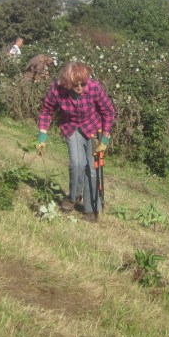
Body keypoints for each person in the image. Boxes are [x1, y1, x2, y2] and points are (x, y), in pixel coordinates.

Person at [36, 61, 115, 222]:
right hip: (71, 127)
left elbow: (108, 112)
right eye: (75, 85)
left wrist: (105, 138)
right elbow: (46, 111)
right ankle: (74, 197)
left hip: (93, 129)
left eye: (82, 84)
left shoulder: (94, 87)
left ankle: (91, 208)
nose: (80, 88)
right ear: (67, 83)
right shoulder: (57, 89)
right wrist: (42, 135)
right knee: (76, 164)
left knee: (92, 170)